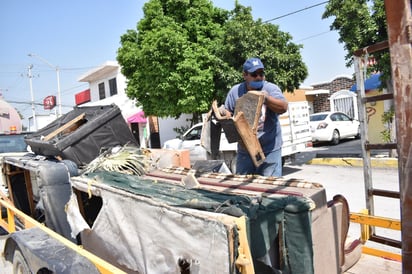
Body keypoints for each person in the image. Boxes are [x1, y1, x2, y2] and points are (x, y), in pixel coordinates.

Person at [223, 57, 288, 177]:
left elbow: (283, 107)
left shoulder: (270, 89)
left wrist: (266, 99)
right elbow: (227, 111)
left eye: (261, 73)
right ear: (245, 75)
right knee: (244, 188)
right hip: (245, 151)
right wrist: (224, 115)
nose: (258, 77)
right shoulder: (235, 91)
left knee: (270, 189)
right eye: (254, 74)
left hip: (269, 150)